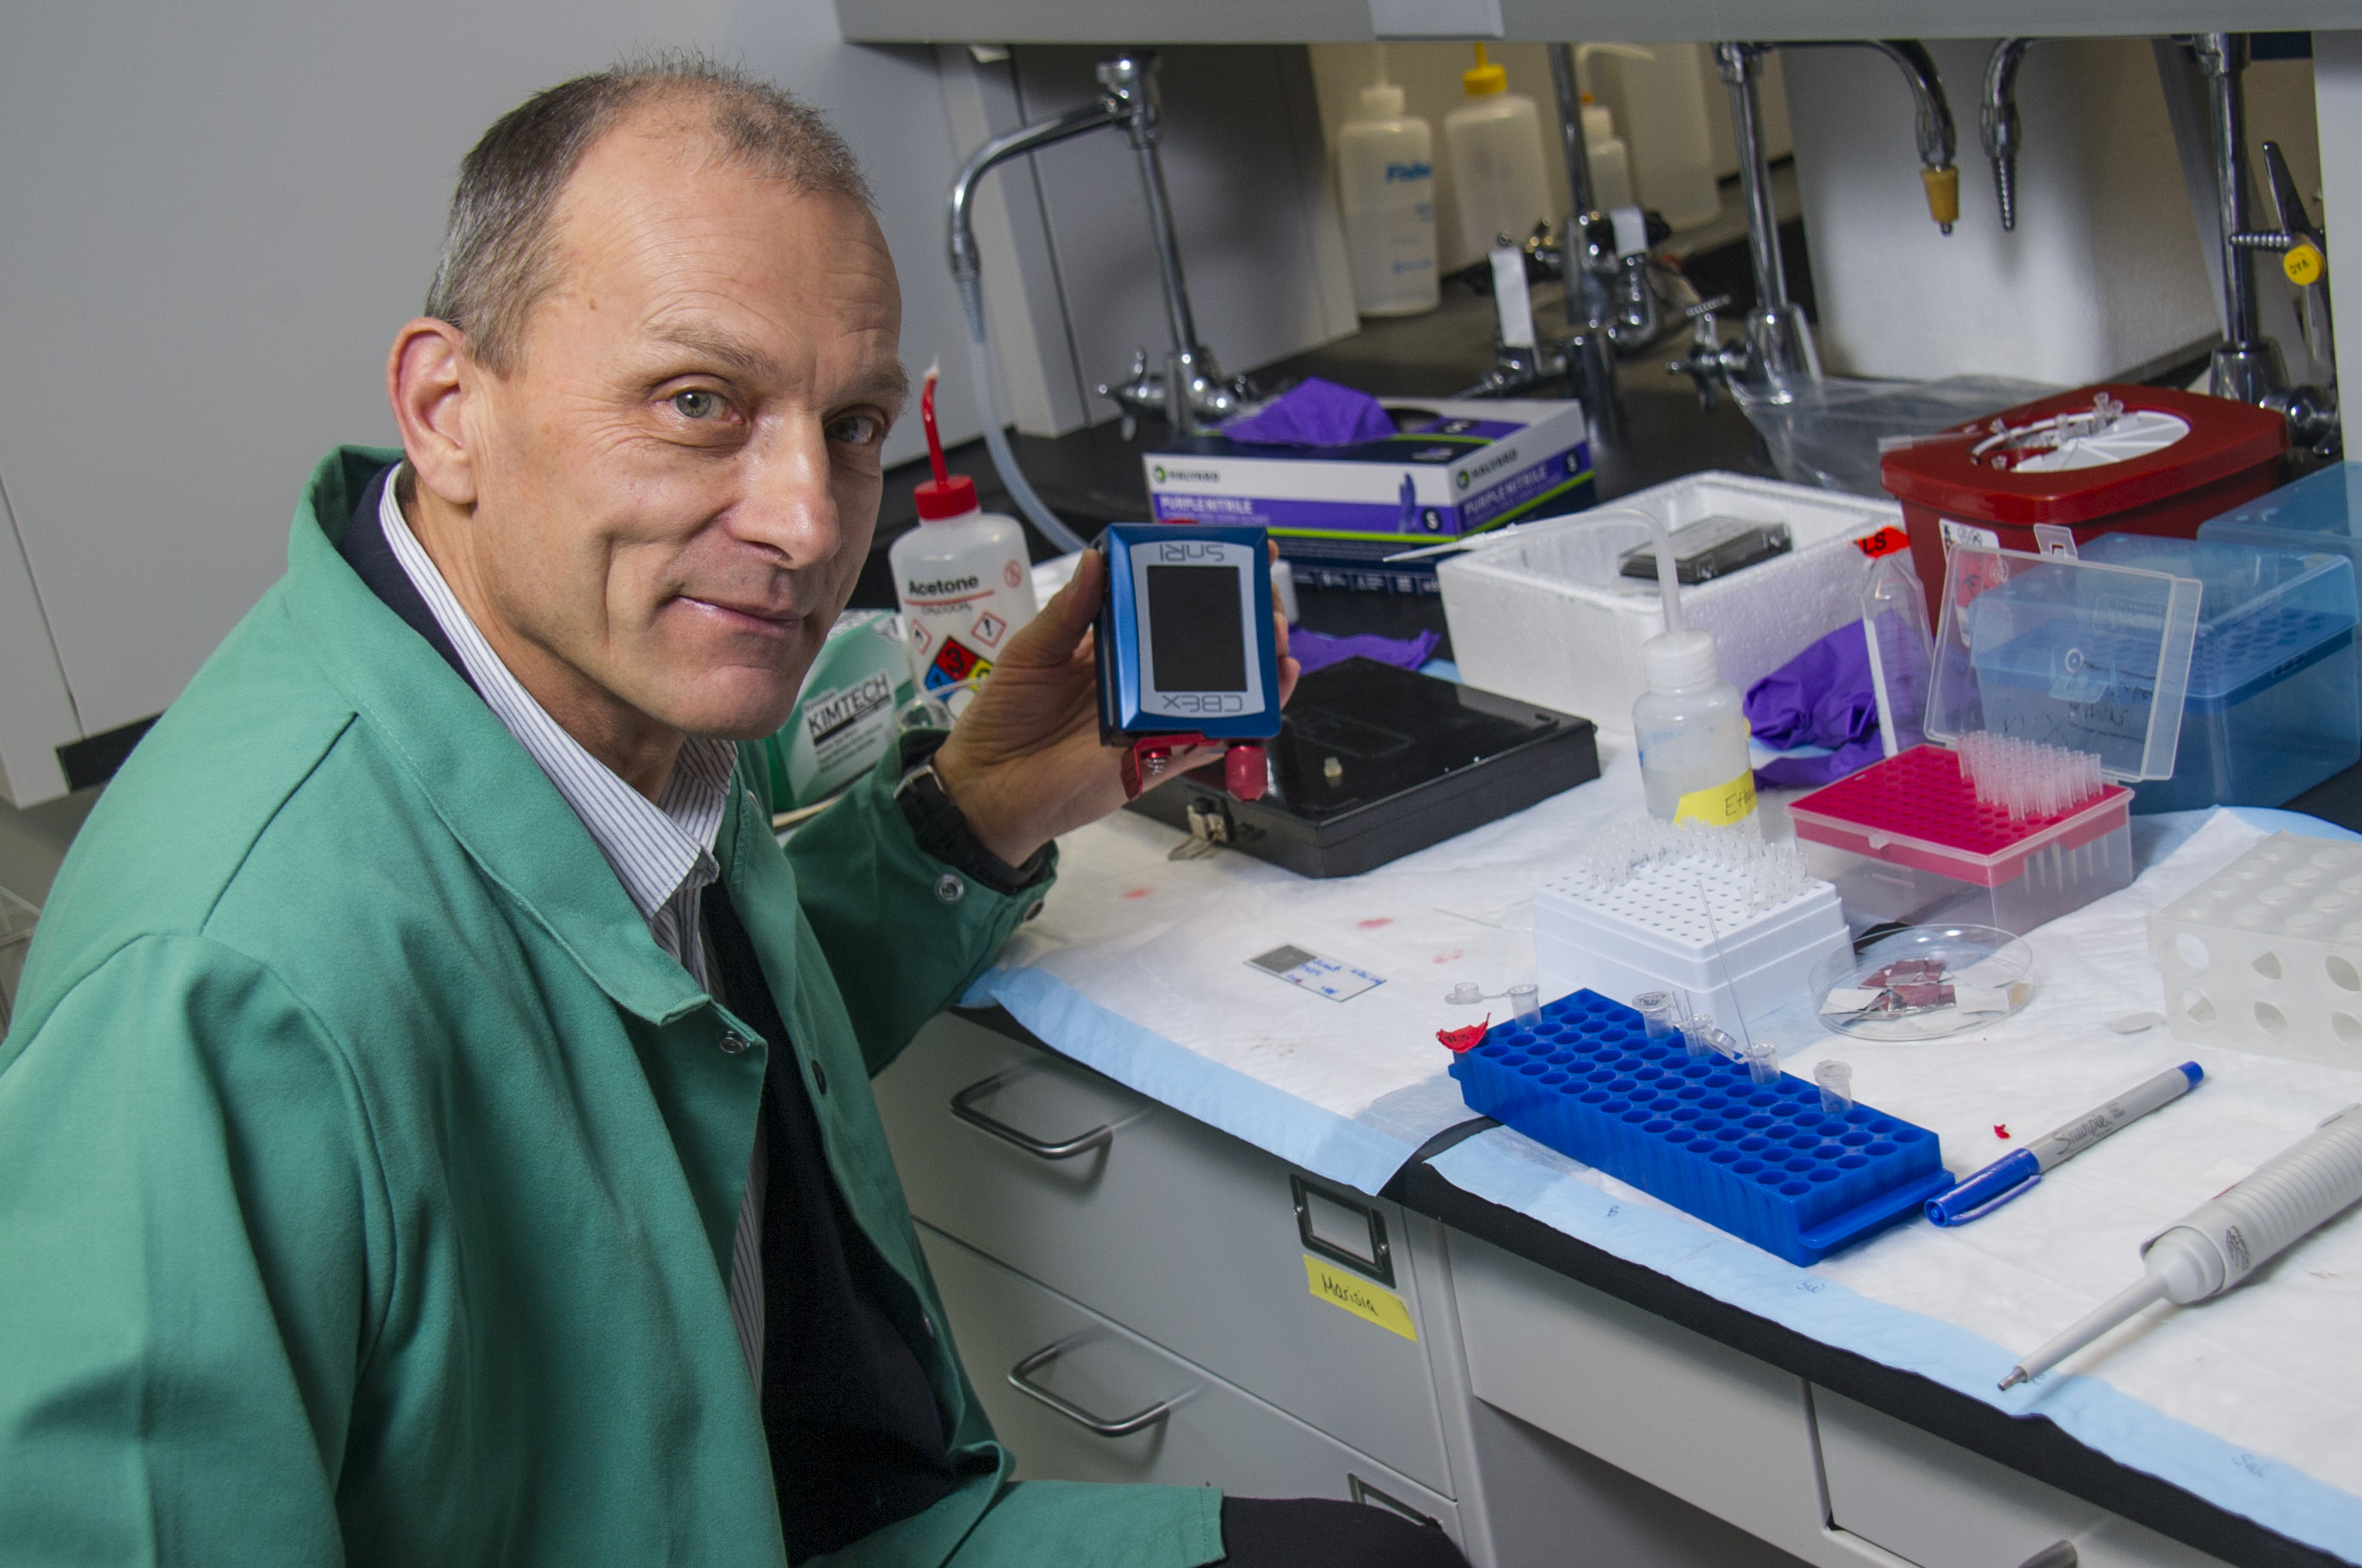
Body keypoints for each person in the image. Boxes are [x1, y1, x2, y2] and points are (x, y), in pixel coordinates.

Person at [0, 56, 1471, 1568]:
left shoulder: (620, 694)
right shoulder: (217, 984)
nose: (812, 521)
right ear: (448, 409)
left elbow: (643, 1052)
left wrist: (972, 819)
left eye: (848, 422)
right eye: (699, 402)